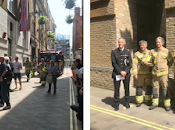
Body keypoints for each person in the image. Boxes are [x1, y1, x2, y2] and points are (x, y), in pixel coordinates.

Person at [148, 37, 173, 111]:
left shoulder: (166, 51)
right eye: (157, 42)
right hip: (155, 73)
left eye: (159, 42)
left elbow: (171, 61)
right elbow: (149, 60)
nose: (157, 44)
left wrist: (165, 68)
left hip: (164, 74)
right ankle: (155, 103)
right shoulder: (153, 51)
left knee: (165, 88)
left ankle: (167, 105)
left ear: (162, 43)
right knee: (155, 89)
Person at [111, 37, 132, 111]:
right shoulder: (114, 52)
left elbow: (130, 64)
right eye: (119, 42)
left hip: (126, 74)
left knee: (127, 89)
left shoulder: (127, 52)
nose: (120, 43)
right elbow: (114, 63)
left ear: (125, 43)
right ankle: (116, 104)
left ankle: (127, 103)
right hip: (117, 73)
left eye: (121, 42)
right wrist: (120, 72)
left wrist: (125, 71)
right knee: (117, 89)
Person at [132, 40, 153, 107]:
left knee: (149, 87)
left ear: (146, 45)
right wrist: (135, 74)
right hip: (140, 74)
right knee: (139, 88)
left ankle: (148, 100)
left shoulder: (150, 53)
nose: (142, 46)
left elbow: (153, 62)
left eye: (143, 45)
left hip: (148, 74)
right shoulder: (137, 54)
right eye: (141, 45)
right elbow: (134, 64)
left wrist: (150, 64)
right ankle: (139, 101)